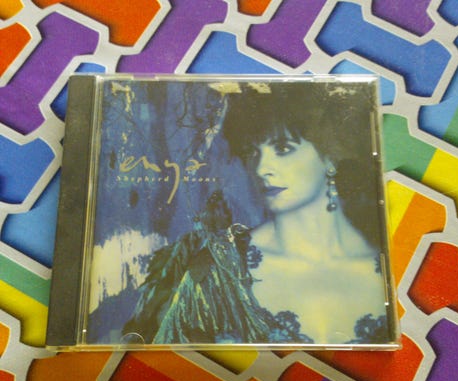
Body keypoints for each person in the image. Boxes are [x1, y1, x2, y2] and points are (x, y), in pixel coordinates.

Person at [124, 81, 393, 345]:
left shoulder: (389, 262)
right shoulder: (219, 270)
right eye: (252, 152)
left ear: (330, 156)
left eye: (283, 149)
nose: (262, 168)